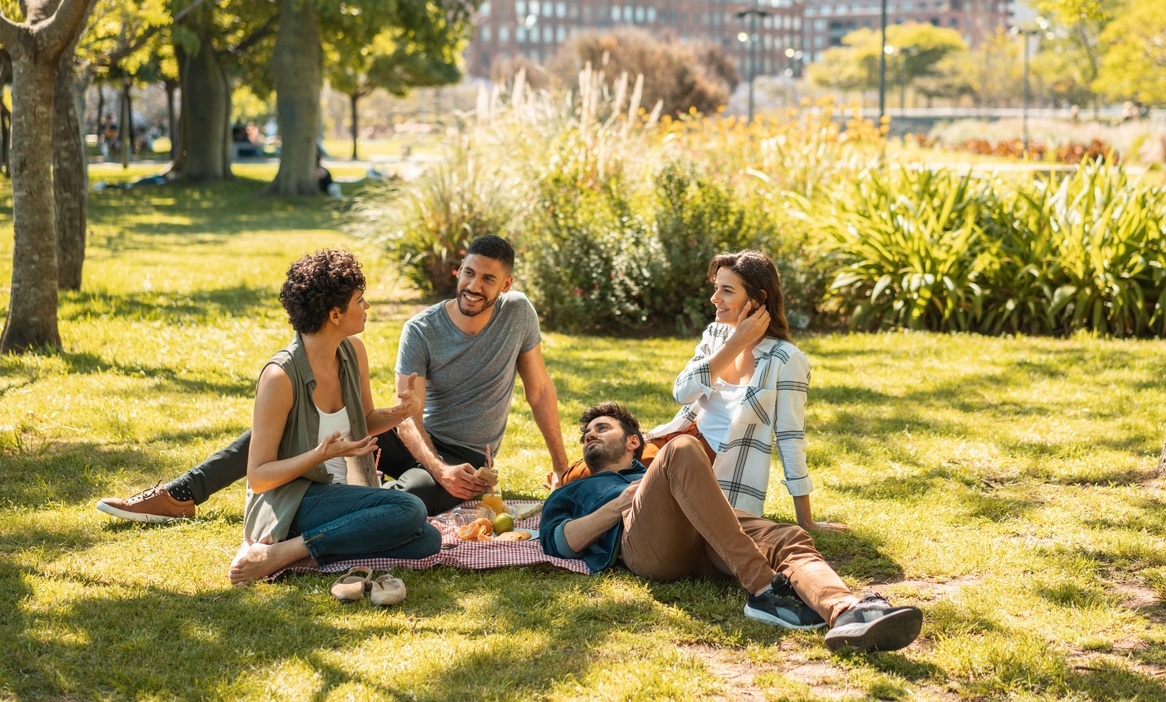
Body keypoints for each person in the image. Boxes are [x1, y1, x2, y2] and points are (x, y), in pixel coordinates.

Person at [97, 235, 570, 520]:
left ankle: (358, 500)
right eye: (469, 273)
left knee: (411, 503)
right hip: (416, 440)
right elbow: (407, 419)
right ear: (458, 270)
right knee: (278, 428)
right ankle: (181, 493)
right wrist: (436, 466)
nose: (473, 286)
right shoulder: (422, 329)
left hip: (467, 452)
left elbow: (540, 391)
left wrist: (561, 467)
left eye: (488, 279)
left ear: (506, 285)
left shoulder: (519, 313)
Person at [541, 403, 922, 653]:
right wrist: (618, 505)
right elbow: (561, 542)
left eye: (601, 428)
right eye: (587, 433)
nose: (590, 435)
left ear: (633, 441)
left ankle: (847, 612)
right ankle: (763, 589)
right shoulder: (574, 490)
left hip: (707, 535)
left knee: (786, 536)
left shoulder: (655, 468)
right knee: (683, 447)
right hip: (648, 544)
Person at [229, 249, 441, 585]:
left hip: (338, 497)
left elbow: (366, 420)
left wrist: (402, 413)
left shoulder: (352, 352)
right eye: (360, 300)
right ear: (335, 314)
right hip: (292, 502)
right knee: (410, 509)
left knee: (428, 540)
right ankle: (285, 551)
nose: (367, 307)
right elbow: (258, 477)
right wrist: (320, 455)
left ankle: (307, 552)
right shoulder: (279, 377)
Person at [648, 250, 843, 528]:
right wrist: (734, 344)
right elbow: (682, 392)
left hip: (717, 469)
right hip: (681, 444)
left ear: (757, 299)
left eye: (727, 291)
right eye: (716, 288)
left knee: (639, 502)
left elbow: (790, 439)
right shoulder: (717, 336)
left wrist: (806, 522)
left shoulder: (785, 359)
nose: (715, 299)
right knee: (594, 474)